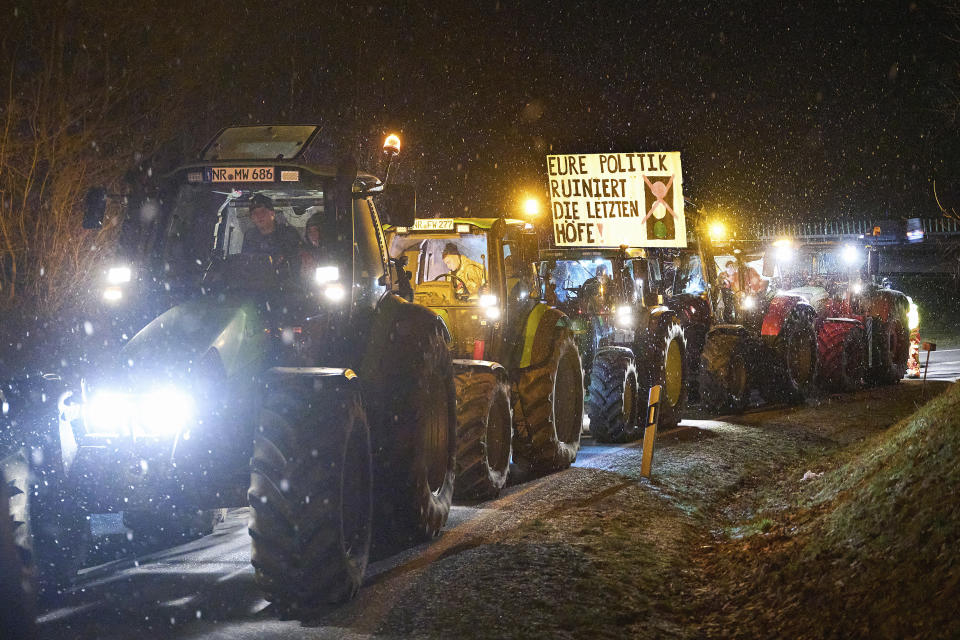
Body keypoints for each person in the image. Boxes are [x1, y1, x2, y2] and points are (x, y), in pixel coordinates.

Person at [241, 194, 302, 262]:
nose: (259, 216)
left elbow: (300, 259)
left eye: (263, 211)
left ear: (272, 214)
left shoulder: (288, 233)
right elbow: (245, 262)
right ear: (251, 218)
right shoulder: (250, 237)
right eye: (254, 213)